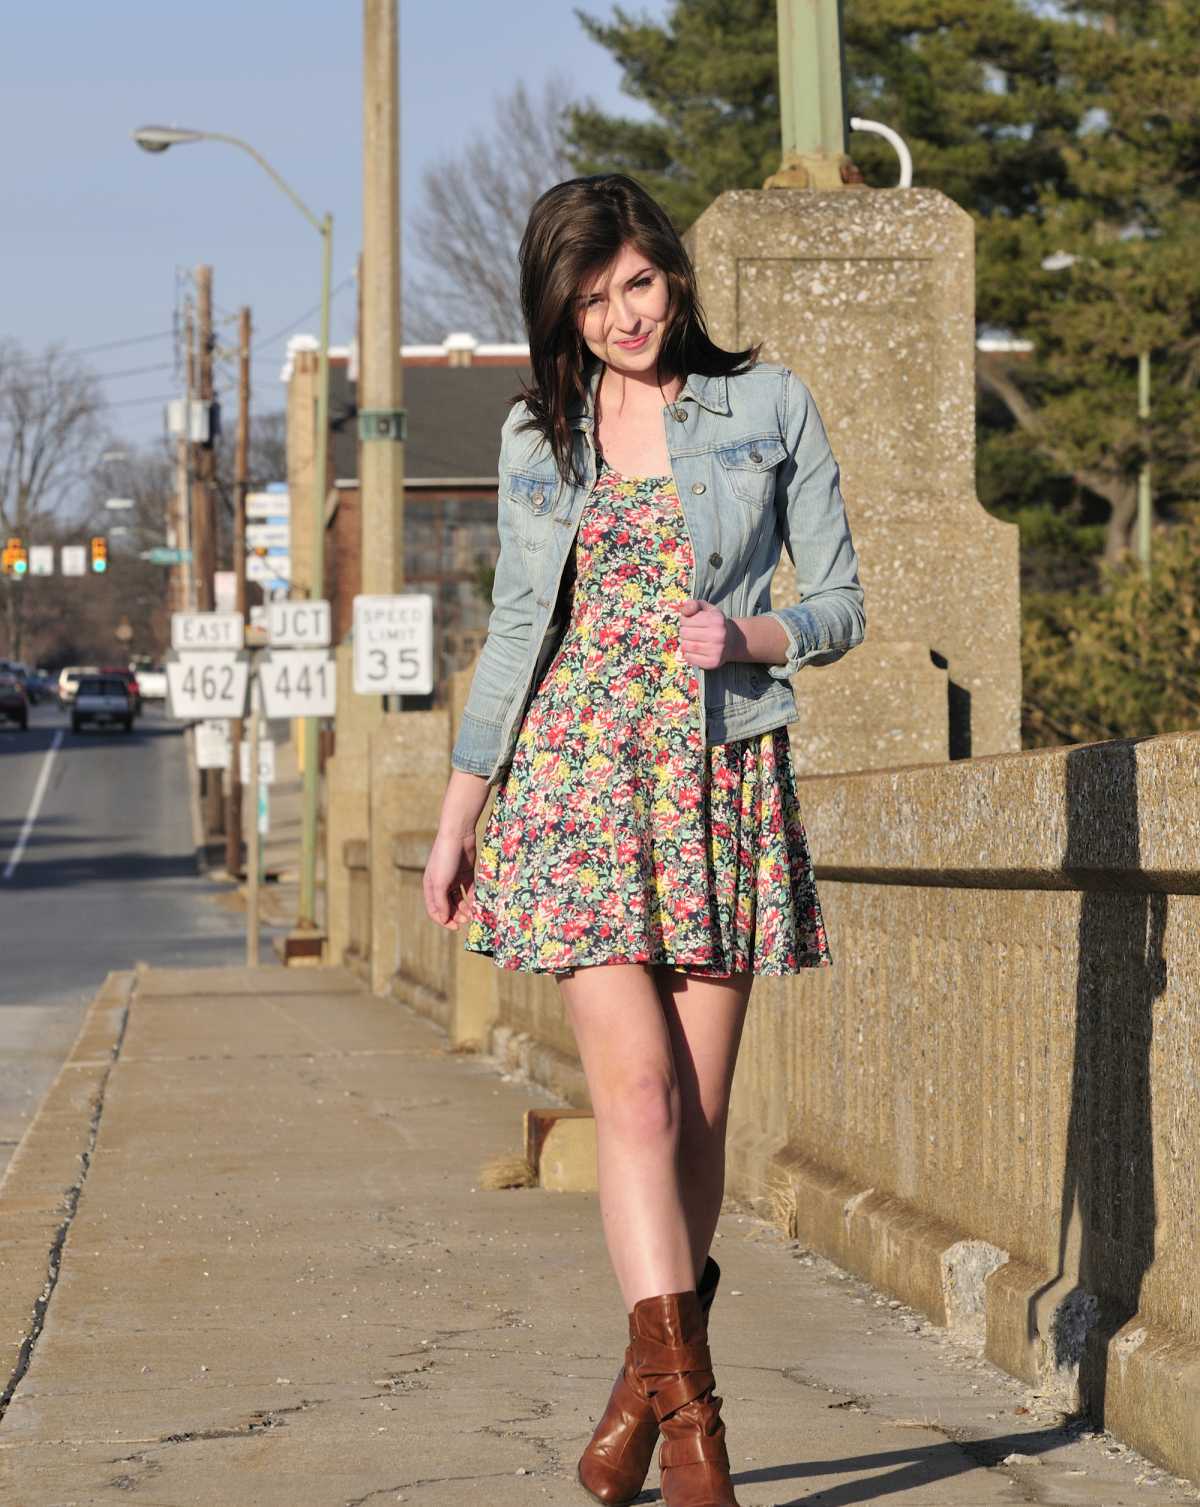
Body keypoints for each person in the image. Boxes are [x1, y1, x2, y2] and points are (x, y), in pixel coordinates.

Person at [423, 172, 865, 1507]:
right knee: (642, 1102)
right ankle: (699, 1447)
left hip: (716, 774)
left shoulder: (767, 404)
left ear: (672, 274)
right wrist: (460, 818)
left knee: (700, 1123)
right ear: (558, 307)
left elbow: (841, 599)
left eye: (640, 283)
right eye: (593, 295)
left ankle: (637, 1397)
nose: (624, 315)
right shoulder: (535, 436)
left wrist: (756, 632)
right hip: (574, 784)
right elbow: (514, 632)